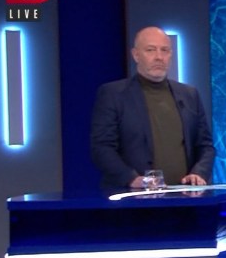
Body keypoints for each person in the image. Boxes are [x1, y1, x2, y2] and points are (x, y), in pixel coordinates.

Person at [90, 26, 215, 189]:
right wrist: (132, 179)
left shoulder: (189, 95)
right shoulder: (113, 94)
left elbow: (205, 146)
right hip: (134, 197)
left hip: (184, 195)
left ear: (171, 55)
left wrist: (199, 173)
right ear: (136, 55)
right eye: (150, 50)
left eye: (164, 50)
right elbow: (102, 148)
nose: (159, 57)